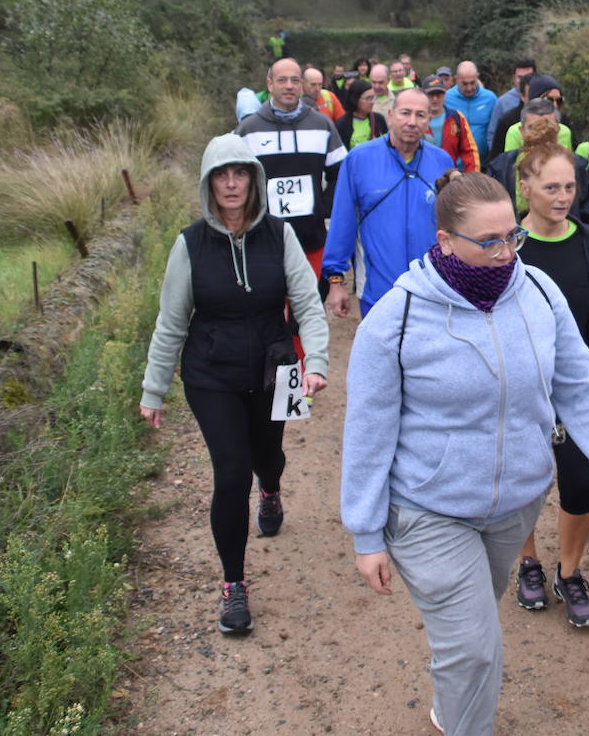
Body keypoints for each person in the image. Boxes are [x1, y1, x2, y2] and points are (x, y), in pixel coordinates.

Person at [341, 172, 589, 735]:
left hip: (514, 505)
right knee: (478, 646)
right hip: (428, 511)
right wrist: (366, 534)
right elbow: (367, 433)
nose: (507, 253)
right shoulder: (396, 319)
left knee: (467, 635)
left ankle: (451, 698)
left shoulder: (536, 292)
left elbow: (579, 384)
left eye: (513, 236)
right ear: (444, 242)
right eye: (490, 242)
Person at [140, 133, 329, 635]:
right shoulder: (189, 244)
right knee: (231, 473)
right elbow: (171, 322)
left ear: (253, 179)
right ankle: (233, 585)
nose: (230, 183)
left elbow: (307, 304)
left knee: (270, 458)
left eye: (240, 173)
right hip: (211, 374)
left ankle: (272, 488)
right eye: (221, 175)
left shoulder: (280, 234)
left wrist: (317, 363)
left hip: (277, 366)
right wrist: (153, 389)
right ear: (207, 183)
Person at [508, 141, 589, 627]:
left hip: (573, 387)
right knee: (523, 485)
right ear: (525, 187)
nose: (562, 196)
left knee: (580, 486)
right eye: (551, 187)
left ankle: (568, 572)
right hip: (520, 389)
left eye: (570, 186)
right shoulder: (507, 246)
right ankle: (527, 562)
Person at [322, 88, 453, 317]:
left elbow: (454, 225)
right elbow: (343, 221)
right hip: (378, 294)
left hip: (433, 294)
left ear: (428, 120)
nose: (412, 122)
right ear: (390, 115)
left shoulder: (442, 161)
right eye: (405, 113)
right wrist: (335, 280)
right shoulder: (359, 159)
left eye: (420, 115)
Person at [235, 58, 348, 306]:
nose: (289, 86)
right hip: (262, 241)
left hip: (311, 239)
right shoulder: (248, 130)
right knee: (267, 315)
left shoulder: (322, 125)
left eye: (295, 80)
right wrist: (247, 217)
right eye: (282, 80)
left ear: (302, 85)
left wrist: (323, 209)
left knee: (307, 316)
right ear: (270, 85)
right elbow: (233, 181)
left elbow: (341, 174)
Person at [485, 98, 589, 221]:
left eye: (548, 127)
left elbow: (585, 212)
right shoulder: (500, 167)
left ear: (558, 129)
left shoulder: (576, 165)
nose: (541, 133)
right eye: (532, 127)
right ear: (521, 130)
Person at [492, 73, 567, 158]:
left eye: (559, 100)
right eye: (548, 100)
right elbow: (508, 164)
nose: (555, 105)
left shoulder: (565, 130)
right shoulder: (514, 131)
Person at [422, 74, 480, 172]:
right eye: (431, 94)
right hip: (423, 176)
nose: (435, 99)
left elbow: (469, 151)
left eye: (439, 94)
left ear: (445, 94)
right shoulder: (416, 120)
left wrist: (472, 179)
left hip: (451, 178)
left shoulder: (457, 118)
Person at [444, 60, 499, 161]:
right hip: (454, 164)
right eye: (464, 84)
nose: (469, 88)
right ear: (456, 79)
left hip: (483, 164)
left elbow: (495, 131)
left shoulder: (490, 98)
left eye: (472, 83)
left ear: (477, 77)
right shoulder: (446, 98)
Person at [334, 79, 387, 149]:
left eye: (373, 97)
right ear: (355, 99)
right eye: (368, 98)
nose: (372, 102)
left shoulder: (379, 119)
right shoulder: (342, 124)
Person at [489, 57, 536, 132]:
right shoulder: (502, 102)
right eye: (520, 77)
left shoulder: (544, 98)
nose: (524, 81)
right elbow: (492, 132)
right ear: (514, 78)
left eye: (528, 77)